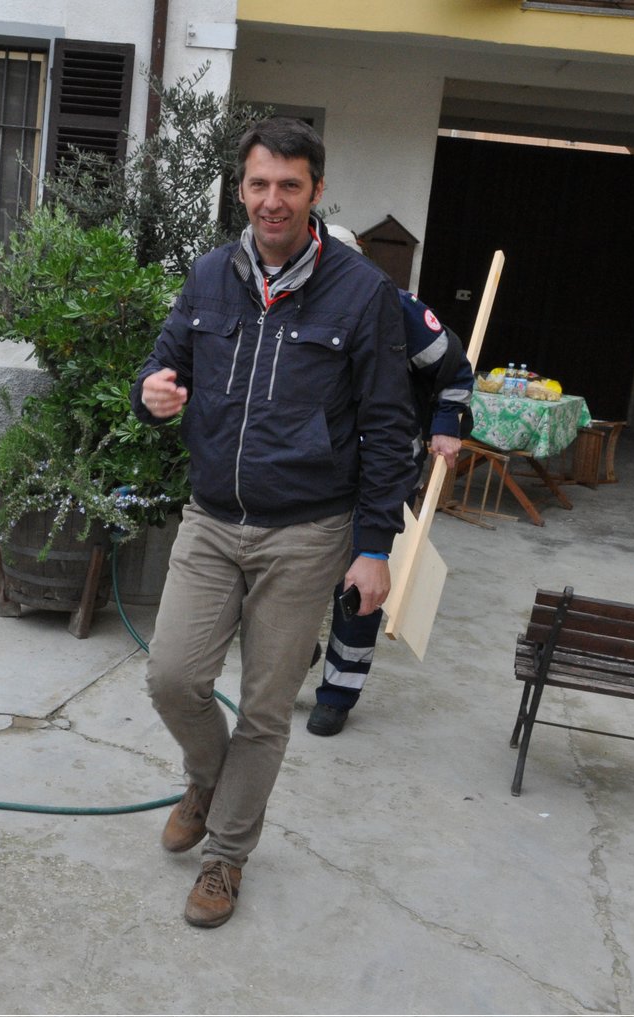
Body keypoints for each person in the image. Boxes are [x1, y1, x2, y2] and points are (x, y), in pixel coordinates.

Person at [132, 117, 417, 928]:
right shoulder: (212, 275)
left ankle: (224, 858)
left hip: (308, 532)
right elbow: (162, 366)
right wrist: (152, 393)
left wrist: (373, 549)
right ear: (242, 189)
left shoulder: (362, 293)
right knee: (172, 677)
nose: (272, 200)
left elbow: (388, 426)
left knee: (264, 708)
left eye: (290, 185)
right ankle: (206, 775)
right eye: (259, 184)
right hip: (213, 517)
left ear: (316, 192)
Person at [307, 224, 474, 736]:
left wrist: (446, 428)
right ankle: (295, 652)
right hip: (314, 467)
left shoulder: (400, 311)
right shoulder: (295, 305)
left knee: (360, 586)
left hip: (383, 466)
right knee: (291, 572)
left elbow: (456, 373)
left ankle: (338, 691)